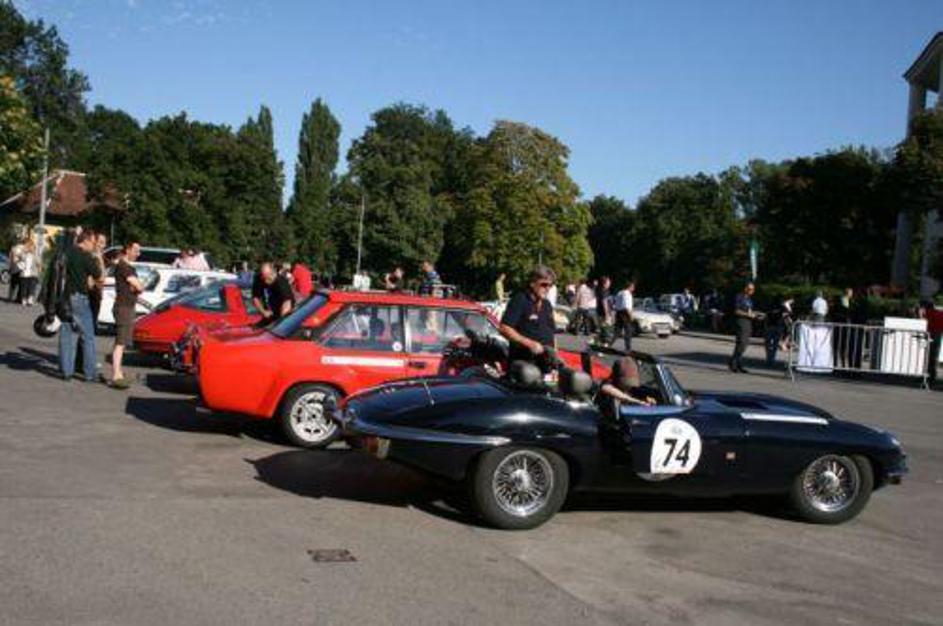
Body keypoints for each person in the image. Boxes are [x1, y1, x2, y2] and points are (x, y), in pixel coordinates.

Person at [59, 230, 103, 382]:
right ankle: (90, 373)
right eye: (93, 242)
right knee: (88, 336)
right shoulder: (85, 256)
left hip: (65, 297)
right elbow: (98, 275)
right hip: (80, 297)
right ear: (85, 241)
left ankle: (66, 371)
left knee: (66, 333)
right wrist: (97, 257)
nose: (94, 245)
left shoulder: (67, 252)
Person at [499, 266, 557, 365]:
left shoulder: (547, 305)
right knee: (529, 372)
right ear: (532, 283)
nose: (547, 288)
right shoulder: (520, 300)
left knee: (573, 373)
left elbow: (552, 333)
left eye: (550, 285)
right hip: (524, 362)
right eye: (544, 285)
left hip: (545, 361)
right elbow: (504, 328)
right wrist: (530, 344)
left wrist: (555, 355)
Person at [110, 242, 143, 389]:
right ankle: (116, 374)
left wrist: (137, 287)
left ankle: (118, 371)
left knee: (122, 342)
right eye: (136, 251)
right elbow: (137, 285)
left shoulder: (128, 267)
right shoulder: (123, 266)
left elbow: (137, 286)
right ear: (128, 250)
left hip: (127, 306)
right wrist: (137, 286)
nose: (138, 254)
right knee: (120, 342)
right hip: (123, 307)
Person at [729, 282, 761, 374]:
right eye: (750, 289)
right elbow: (737, 311)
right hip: (741, 321)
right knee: (741, 343)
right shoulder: (739, 297)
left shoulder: (750, 300)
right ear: (745, 289)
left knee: (745, 344)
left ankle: (738, 363)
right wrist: (748, 315)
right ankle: (733, 362)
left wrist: (756, 314)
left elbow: (749, 311)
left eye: (753, 290)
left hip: (748, 322)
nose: (752, 291)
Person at [764, 297, 793, 366]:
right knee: (774, 344)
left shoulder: (770, 307)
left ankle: (769, 358)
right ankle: (772, 359)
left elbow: (767, 316)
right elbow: (789, 313)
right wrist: (787, 305)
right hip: (777, 327)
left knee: (768, 344)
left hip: (770, 326)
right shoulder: (782, 308)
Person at [613, 280, 636, 352]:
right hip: (625, 314)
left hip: (618, 313)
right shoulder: (627, 294)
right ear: (630, 287)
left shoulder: (620, 292)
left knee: (617, 331)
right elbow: (627, 306)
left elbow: (615, 303)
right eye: (633, 287)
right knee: (628, 331)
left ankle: (608, 343)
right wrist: (631, 316)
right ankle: (628, 348)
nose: (634, 288)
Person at [18, 239, 40, 306]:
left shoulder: (35, 255)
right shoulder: (23, 254)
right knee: (24, 287)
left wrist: (39, 271)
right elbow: (20, 259)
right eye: (29, 246)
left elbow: (38, 263)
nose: (30, 248)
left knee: (32, 287)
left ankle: (30, 299)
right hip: (24, 274)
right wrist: (25, 252)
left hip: (33, 274)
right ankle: (23, 299)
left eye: (32, 246)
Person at [595, 276, 613, 346]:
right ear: (604, 283)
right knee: (606, 329)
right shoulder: (604, 291)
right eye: (608, 282)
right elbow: (604, 303)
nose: (610, 283)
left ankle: (599, 343)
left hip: (600, 312)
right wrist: (607, 314)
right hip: (603, 313)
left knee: (602, 328)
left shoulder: (601, 290)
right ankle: (604, 344)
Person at [8, 238, 25, 303]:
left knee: (13, 284)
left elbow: (11, 259)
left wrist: (10, 268)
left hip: (15, 268)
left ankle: (10, 297)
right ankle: (19, 299)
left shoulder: (13, 248)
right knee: (21, 285)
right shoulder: (25, 248)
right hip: (23, 269)